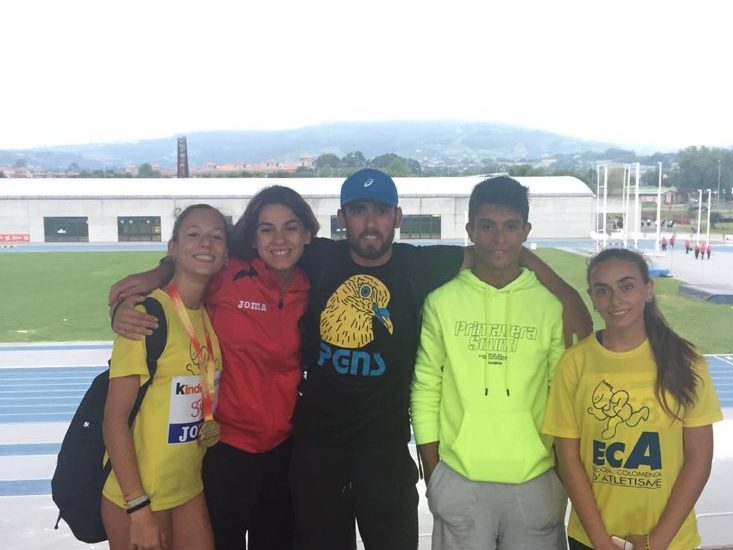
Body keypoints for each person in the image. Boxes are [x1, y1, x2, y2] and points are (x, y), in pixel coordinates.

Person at [111, 169, 592, 550]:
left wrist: (567, 293)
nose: (370, 222)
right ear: (342, 218)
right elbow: (210, 255)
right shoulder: (315, 256)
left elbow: (497, 249)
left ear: (397, 217)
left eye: (380, 211)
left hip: (384, 457)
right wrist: (158, 272)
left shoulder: (419, 264)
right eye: (359, 211)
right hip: (314, 455)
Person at [110, 186, 320, 550]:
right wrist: (134, 295)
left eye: (290, 227)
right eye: (266, 229)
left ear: (307, 235)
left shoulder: (316, 283)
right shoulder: (227, 277)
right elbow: (186, 275)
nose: (279, 239)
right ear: (252, 238)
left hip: (282, 452)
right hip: (223, 450)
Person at [411, 176, 567, 550]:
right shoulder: (441, 300)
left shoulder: (549, 306)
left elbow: (562, 396)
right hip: (459, 478)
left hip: (536, 481)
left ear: (526, 230)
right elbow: (426, 387)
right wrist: (434, 475)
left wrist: (561, 476)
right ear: (470, 231)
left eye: (510, 227)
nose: (499, 239)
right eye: (487, 226)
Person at [542, 248, 722, 550]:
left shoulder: (686, 361)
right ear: (592, 298)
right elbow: (568, 459)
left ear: (648, 290)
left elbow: (699, 460)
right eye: (603, 290)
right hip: (592, 538)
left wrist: (657, 541)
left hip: (670, 540)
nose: (615, 300)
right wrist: (600, 540)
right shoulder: (574, 363)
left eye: (626, 286)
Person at [102, 204, 228, 550]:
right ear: (173, 248)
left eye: (216, 237)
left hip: (187, 489)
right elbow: (113, 421)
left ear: (226, 255)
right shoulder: (145, 316)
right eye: (194, 235)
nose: (206, 243)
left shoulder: (206, 317)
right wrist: (137, 506)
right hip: (138, 495)